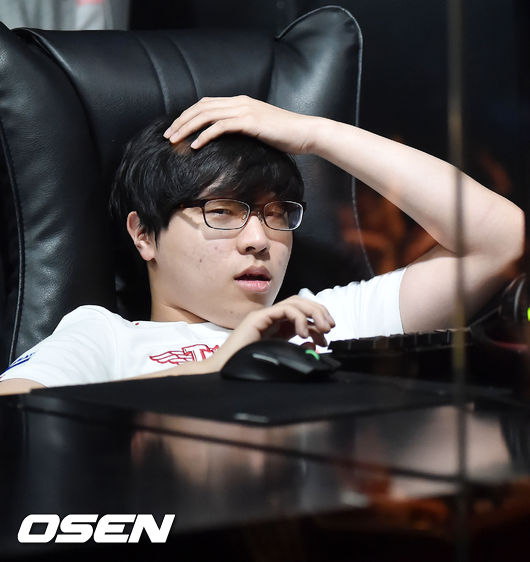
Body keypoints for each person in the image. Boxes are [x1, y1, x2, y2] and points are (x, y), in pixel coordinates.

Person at [0, 96, 523, 395]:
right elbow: (18, 427)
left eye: (277, 215)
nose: (259, 240)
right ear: (143, 235)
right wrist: (223, 363)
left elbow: (501, 241)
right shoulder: (104, 337)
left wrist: (313, 133)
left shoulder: (324, 322)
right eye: (223, 212)